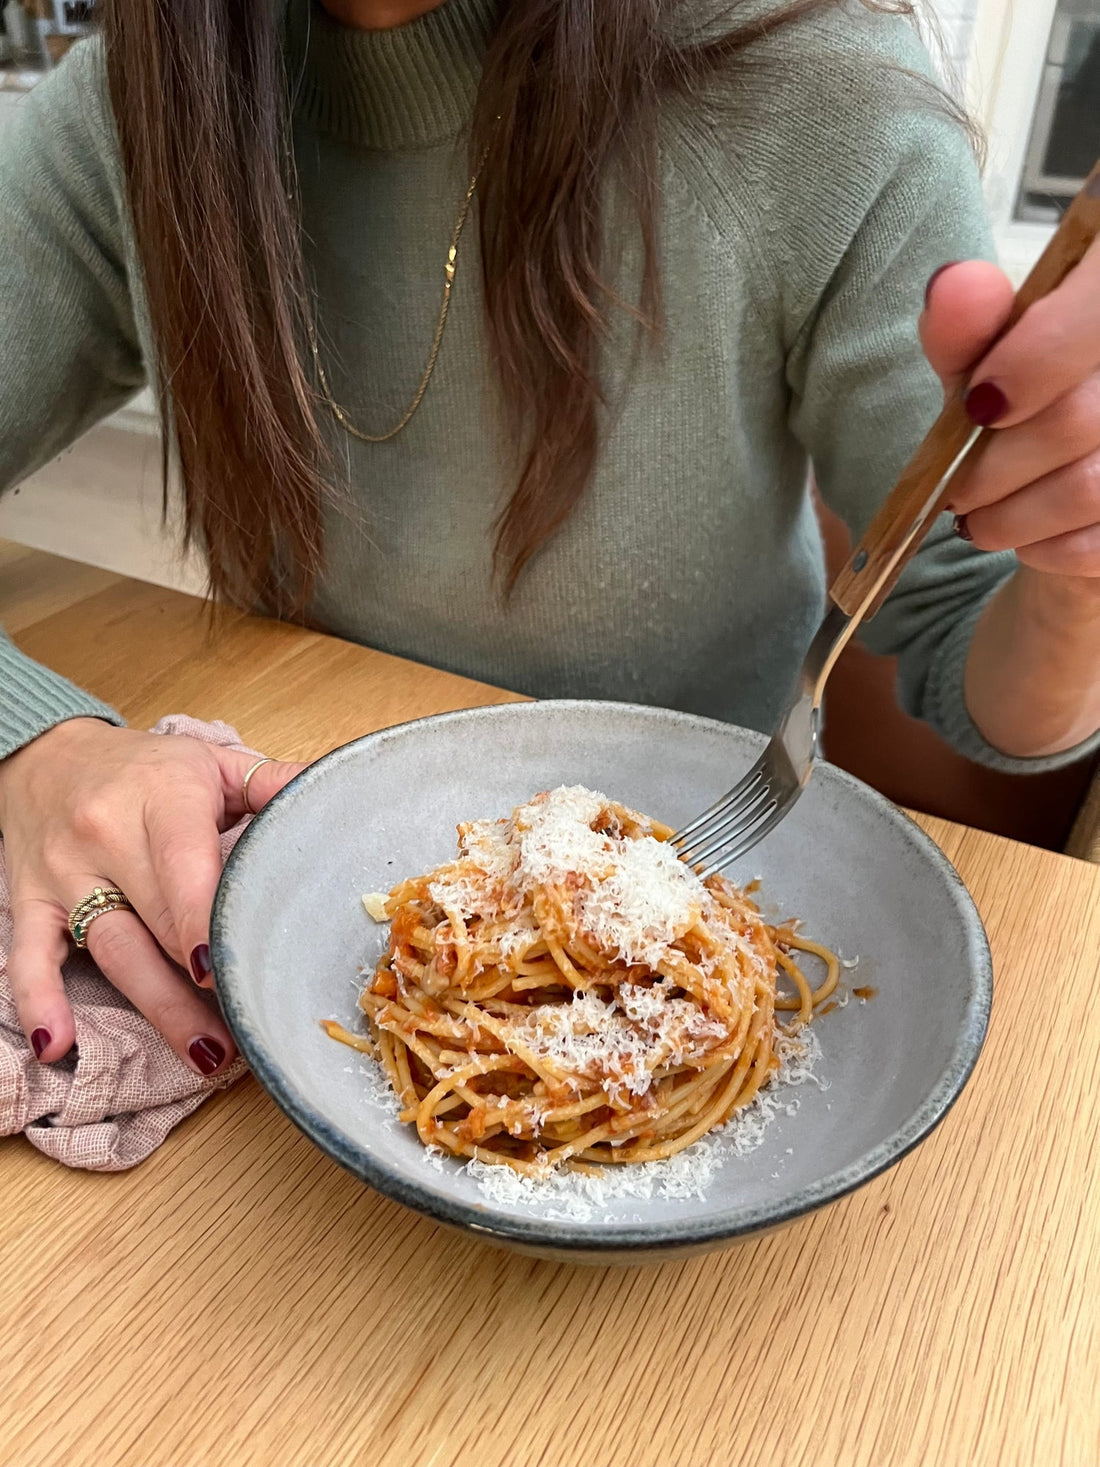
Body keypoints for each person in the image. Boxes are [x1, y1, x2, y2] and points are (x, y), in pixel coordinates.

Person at [1, 0, 1098, 1081]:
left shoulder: (818, 92)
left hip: (708, 862)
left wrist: (1075, 581)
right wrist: (36, 744)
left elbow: (974, 638)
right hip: (287, 899)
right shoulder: (142, 100)